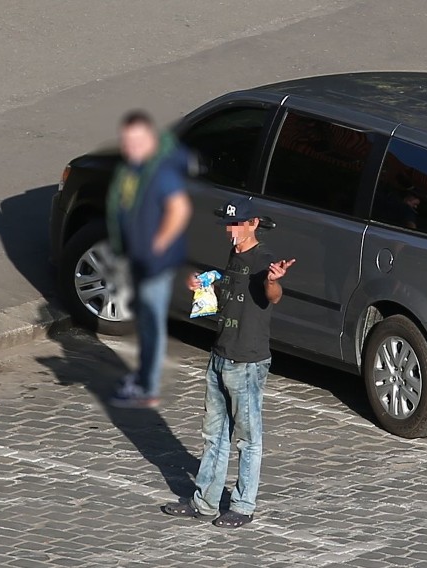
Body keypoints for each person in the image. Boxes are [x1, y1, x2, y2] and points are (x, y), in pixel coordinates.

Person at [163, 196, 295, 529]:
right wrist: (205, 284)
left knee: (248, 438)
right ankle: (205, 502)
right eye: (228, 224)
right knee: (214, 434)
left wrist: (274, 279)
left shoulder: (263, 259)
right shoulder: (235, 256)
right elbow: (229, 287)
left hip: (247, 362)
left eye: (238, 224)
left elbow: (272, 294)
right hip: (220, 355)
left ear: (253, 224)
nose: (231, 230)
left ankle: (243, 505)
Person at [106, 110, 193, 409]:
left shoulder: (161, 172)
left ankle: (147, 387)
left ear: (152, 140)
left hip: (155, 263)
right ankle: (144, 378)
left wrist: (158, 243)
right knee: (146, 320)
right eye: (127, 141)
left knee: (151, 323)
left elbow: (179, 209)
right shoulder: (136, 169)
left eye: (138, 140)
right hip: (141, 259)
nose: (131, 146)